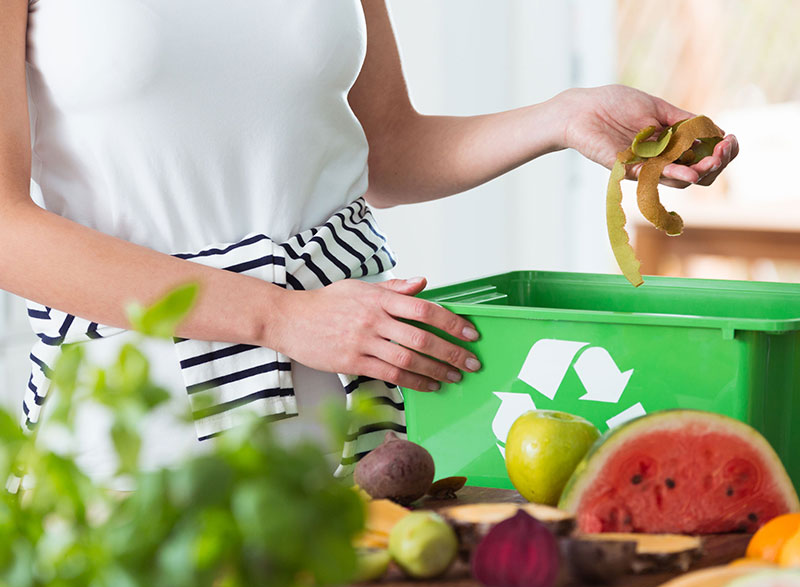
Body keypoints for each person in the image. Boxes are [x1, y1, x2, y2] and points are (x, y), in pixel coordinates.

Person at [2, 1, 737, 481]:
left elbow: (385, 148)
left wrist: (561, 117)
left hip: (358, 397)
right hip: (141, 413)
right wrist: (279, 317)